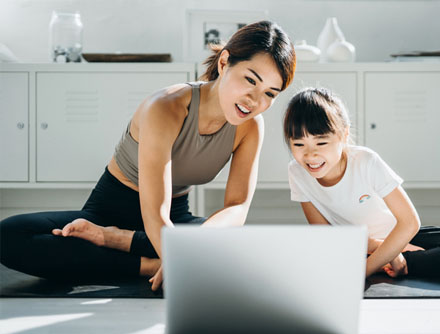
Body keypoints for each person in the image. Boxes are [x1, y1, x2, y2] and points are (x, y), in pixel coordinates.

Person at [0, 21, 296, 291]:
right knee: (9, 237)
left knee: (243, 244)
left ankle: (116, 243)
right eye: (250, 80)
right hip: (111, 211)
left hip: (172, 219)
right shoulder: (165, 106)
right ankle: (152, 266)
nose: (255, 101)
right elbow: (155, 213)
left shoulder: (251, 127)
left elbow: (237, 207)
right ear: (224, 62)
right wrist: (188, 258)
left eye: (270, 93)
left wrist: (203, 239)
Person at [283, 87, 440, 278]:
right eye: (298, 144)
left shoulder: (365, 161)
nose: (310, 155)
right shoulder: (297, 172)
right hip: (354, 246)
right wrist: (377, 248)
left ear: (343, 135)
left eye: (321, 143)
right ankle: (398, 264)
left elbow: (409, 222)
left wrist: (366, 269)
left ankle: (401, 263)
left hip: (397, 234)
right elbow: (325, 235)